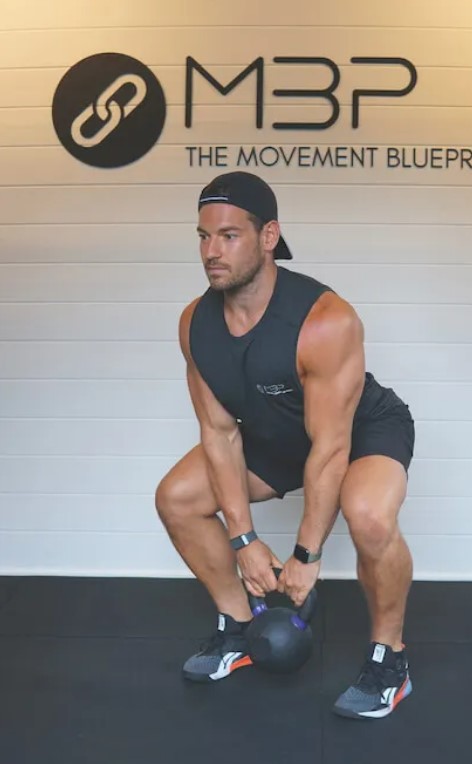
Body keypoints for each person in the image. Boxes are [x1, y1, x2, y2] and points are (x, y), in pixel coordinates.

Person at [155, 171, 415, 720]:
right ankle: (239, 628)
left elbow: (329, 447)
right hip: (275, 434)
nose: (211, 251)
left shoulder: (324, 319)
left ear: (269, 236)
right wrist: (243, 537)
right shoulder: (194, 323)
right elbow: (220, 433)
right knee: (177, 497)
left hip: (358, 428)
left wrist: (305, 556)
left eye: (229, 236)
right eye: (203, 236)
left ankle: (390, 659)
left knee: (367, 516)